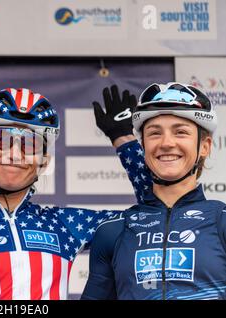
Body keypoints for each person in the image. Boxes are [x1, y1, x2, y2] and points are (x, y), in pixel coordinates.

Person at [0, 87, 151, 300]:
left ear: (45, 161)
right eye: (3, 140)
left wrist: (124, 139)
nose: (15, 154)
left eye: (31, 144)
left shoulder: (65, 224)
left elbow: (150, 215)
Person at [81, 82, 226, 300]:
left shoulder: (221, 221)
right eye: (155, 133)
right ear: (144, 146)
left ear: (204, 146)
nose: (167, 143)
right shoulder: (113, 231)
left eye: (181, 132)